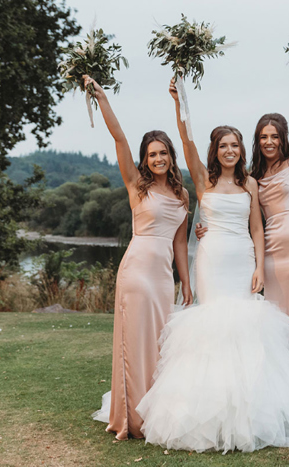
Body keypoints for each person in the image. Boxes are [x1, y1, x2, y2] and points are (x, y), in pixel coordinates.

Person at [134, 79, 289, 453]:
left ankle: (252, 413)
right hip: (212, 260)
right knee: (213, 329)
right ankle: (208, 416)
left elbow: (258, 228)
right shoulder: (202, 179)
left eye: (235, 145)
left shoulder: (251, 183)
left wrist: (260, 266)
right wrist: (181, 103)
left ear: (241, 150)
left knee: (247, 330)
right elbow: (187, 141)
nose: (229, 151)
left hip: (242, 257)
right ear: (216, 151)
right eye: (223, 146)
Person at [195, 52, 289, 413]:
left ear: (284, 138)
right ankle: (281, 399)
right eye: (263, 137)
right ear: (256, 143)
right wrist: (205, 229)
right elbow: (242, 219)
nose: (269, 141)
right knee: (274, 326)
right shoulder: (252, 180)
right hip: (269, 256)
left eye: (274, 136)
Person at [85, 75, 192, 440]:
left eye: (163, 153)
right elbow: (119, 138)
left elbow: (181, 245)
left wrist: (186, 285)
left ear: (170, 157)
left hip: (163, 277)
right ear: (145, 160)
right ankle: (131, 419)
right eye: (152, 154)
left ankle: (157, 414)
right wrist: (102, 99)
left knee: (160, 345)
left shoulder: (182, 195)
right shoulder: (136, 185)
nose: (158, 158)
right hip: (136, 271)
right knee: (134, 343)